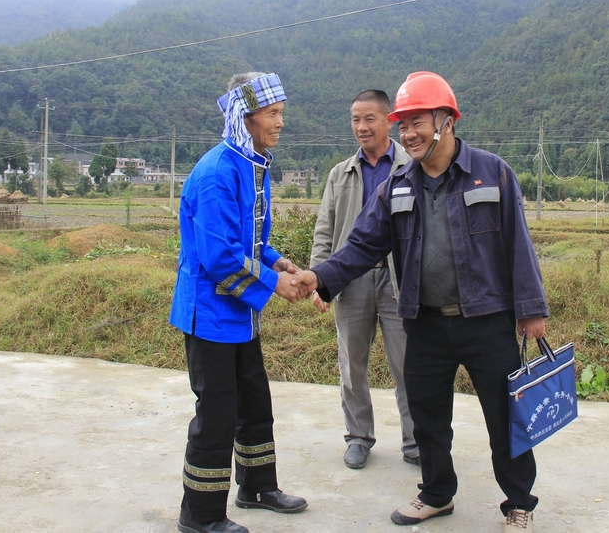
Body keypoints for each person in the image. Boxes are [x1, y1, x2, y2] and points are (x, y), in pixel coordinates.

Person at [296, 71, 548, 532]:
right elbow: (360, 246)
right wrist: (318, 276)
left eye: (417, 122)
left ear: (445, 121)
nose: (407, 133)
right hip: (424, 322)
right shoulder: (398, 185)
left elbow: (519, 245)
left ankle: (519, 502)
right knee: (429, 417)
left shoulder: (491, 173)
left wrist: (531, 310)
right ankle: (436, 494)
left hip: (487, 321)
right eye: (403, 123)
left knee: (504, 417)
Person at [169, 71, 308, 533]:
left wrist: (280, 262)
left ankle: (257, 487)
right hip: (210, 314)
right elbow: (219, 257)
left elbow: (249, 242)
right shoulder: (216, 173)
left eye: (281, 113)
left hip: (240, 315)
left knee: (254, 401)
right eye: (273, 114)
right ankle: (201, 515)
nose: (280, 122)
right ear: (244, 119)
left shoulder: (251, 165)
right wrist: (274, 284)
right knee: (217, 414)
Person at [309, 90, 417, 470]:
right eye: (355, 119)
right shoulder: (341, 174)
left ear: (388, 120)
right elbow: (324, 230)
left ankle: (416, 440)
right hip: (350, 280)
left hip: (399, 281)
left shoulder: (410, 167)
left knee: (407, 364)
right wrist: (319, 281)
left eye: (369, 118)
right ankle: (358, 436)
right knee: (351, 365)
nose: (361, 127)